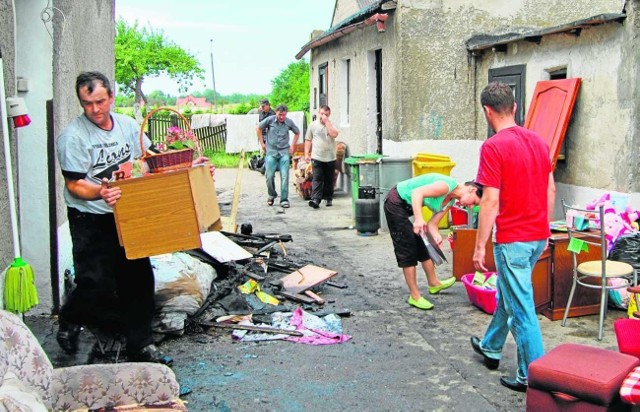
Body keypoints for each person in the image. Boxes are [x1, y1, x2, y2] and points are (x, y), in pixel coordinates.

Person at [55, 71, 211, 365]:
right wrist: (102, 192)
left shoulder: (128, 126)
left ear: (111, 97)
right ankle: (71, 316)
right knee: (96, 283)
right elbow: (75, 184)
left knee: (138, 279)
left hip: (128, 214)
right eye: (87, 104)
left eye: (100, 101)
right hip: (90, 218)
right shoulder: (73, 137)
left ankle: (141, 346)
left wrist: (192, 166)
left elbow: (152, 162)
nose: (96, 109)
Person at [470, 81, 556, 392]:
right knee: (511, 295)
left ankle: (533, 376)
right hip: (535, 236)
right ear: (515, 107)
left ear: (487, 111)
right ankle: (491, 346)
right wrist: (545, 229)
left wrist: (480, 246)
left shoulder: (493, 146)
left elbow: (490, 200)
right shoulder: (538, 141)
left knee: (522, 309)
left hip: (512, 239)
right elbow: (550, 189)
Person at [384, 173, 483, 309]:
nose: (471, 207)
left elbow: (432, 224)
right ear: (472, 190)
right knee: (407, 248)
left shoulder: (451, 202)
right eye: (474, 203)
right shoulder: (446, 186)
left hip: (406, 207)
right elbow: (417, 193)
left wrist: (436, 236)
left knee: (423, 244)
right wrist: (419, 219)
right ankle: (415, 296)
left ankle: (434, 283)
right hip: (395, 202)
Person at [256, 104, 300, 208]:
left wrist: (292, 146)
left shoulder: (289, 122)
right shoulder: (269, 120)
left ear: (286, 114)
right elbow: (258, 128)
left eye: (284, 115)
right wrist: (262, 143)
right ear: (276, 112)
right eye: (280, 114)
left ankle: (284, 200)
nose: (281, 117)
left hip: (284, 152)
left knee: (284, 176)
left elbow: (297, 132)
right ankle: (272, 195)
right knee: (269, 175)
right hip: (271, 152)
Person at [304, 105, 340, 208]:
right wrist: (306, 153)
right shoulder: (313, 125)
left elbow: (334, 134)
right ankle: (316, 200)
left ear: (329, 115)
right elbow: (308, 140)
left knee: (329, 179)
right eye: (322, 114)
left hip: (330, 157)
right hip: (317, 156)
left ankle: (328, 198)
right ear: (318, 113)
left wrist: (327, 122)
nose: (323, 116)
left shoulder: (332, 124)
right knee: (317, 178)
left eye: (326, 114)